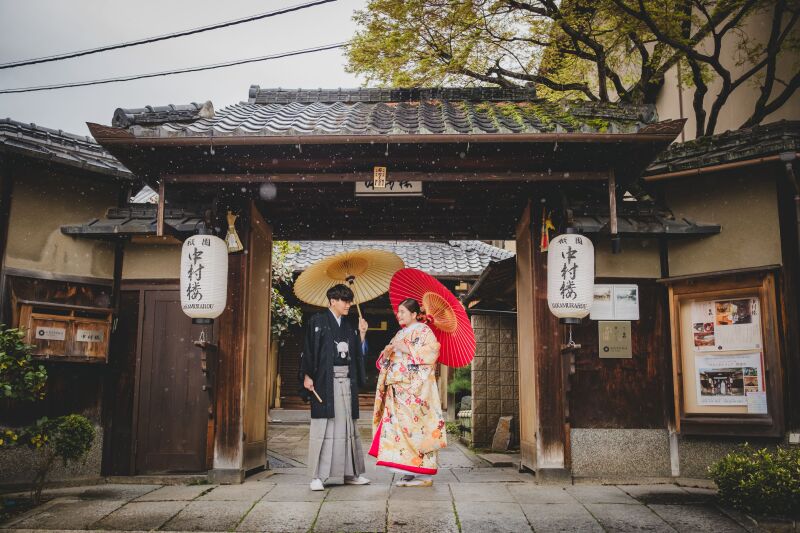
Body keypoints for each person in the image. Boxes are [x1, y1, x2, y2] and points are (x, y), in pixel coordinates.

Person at [369, 298, 447, 487]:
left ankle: (424, 473)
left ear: (414, 314)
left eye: (403, 312)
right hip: (397, 390)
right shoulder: (399, 333)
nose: (399, 315)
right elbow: (386, 361)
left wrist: (409, 348)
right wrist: (387, 353)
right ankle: (409, 470)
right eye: (398, 312)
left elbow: (432, 353)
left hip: (415, 393)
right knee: (399, 431)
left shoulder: (424, 331)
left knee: (416, 430)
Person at [302, 284, 370, 491]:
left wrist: (362, 334)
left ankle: (350, 474)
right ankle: (317, 476)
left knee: (347, 427)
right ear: (333, 301)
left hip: (346, 381)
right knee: (324, 428)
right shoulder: (317, 321)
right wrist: (306, 375)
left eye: (349, 301)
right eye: (345, 300)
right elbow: (308, 349)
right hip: (324, 381)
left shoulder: (349, 326)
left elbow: (355, 353)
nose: (348, 304)